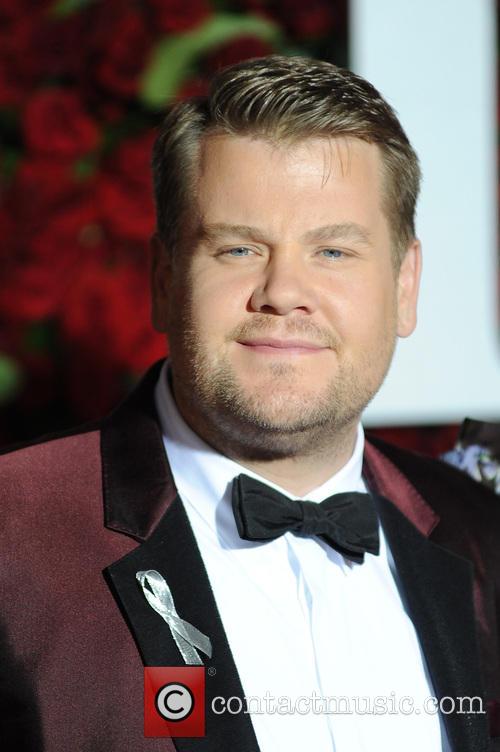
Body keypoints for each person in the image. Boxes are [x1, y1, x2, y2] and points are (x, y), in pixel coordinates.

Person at [1, 55, 499, 752]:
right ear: (165, 278)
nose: (282, 291)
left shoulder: (483, 535)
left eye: (333, 252)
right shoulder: (13, 536)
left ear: (406, 285)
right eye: (237, 248)